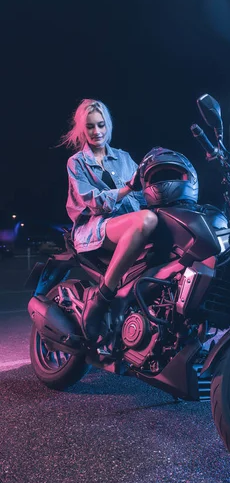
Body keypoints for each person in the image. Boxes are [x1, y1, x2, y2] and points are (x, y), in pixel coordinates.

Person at [62, 99, 158, 342]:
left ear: (108, 126)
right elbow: (93, 202)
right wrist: (126, 189)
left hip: (128, 226)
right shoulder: (77, 163)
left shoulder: (124, 158)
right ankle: (103, 297)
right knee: (145, 220)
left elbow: (145, 192)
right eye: (91, 127)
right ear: (83, 130)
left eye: (101, 125)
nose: (97, 132)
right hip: (95, 229)